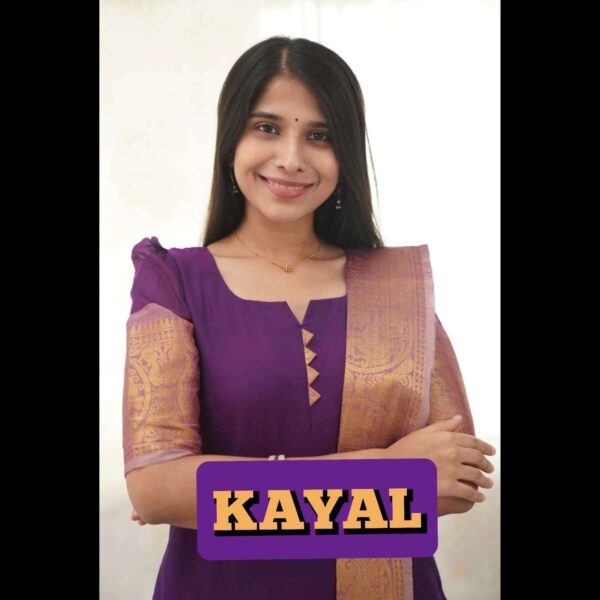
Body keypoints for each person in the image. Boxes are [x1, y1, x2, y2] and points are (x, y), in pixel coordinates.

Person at [122, 36, 495, 600]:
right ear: (231, 139)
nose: (292, 157)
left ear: (346, 153)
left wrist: (222, 493)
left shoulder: (392, 287)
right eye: (267, 127)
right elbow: (154, 488)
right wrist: (386, 474)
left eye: (319, 136)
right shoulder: (174, 281)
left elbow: (454, 480)